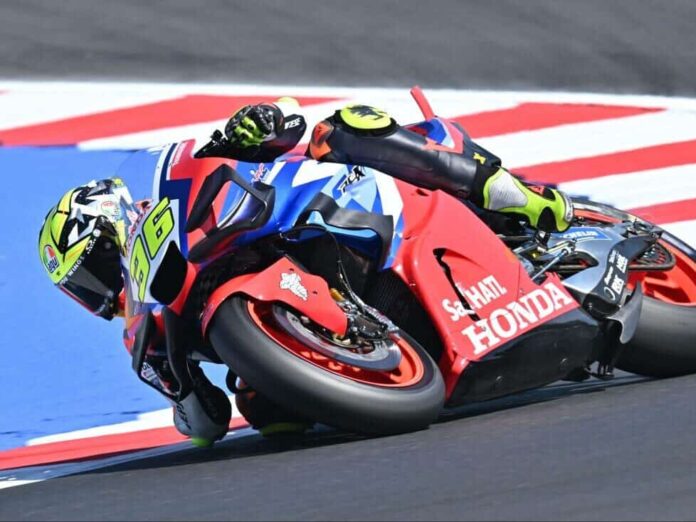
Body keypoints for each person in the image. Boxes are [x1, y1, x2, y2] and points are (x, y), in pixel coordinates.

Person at [38, 99, 574, 446]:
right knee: (267, 414)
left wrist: (257, 125)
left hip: (336, 211)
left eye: (97, 267)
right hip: (328, 351)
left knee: (344, 128)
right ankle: (373, 367)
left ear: (114, 218)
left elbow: (286, 118)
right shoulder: (147, 337)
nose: (102, 292)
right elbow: (204, 426)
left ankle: (521, 198)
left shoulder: (185, 187)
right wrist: (181, 389)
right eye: (85, 290)